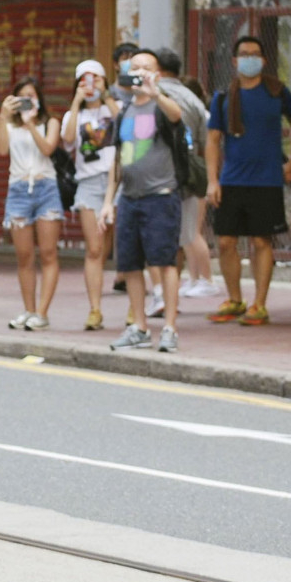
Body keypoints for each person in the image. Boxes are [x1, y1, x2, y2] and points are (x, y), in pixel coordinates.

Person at [205, 35, 291, 325]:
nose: (250, 59)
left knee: (261, 241)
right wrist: (212, 181)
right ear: (235, 61)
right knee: (226, 241)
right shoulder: (223, 97)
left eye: (255, 54)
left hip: (267, 180)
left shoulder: (277, 91)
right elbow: (212, 140)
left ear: (263, 60)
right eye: (245, 54)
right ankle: (235, 299)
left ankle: (259, 304)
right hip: (232, 180)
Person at [102, 48, 187, 353]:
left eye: (144, 68)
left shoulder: (162, 106)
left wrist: (155, 93)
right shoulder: (124, 110)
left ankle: (170, 328)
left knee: (164, 263)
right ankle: (139, 327)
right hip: (130, 198)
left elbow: (177, 117)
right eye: (133, 66)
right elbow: (118, 160)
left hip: (161, 198)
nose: (136, 72)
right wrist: (108, 201)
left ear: (157, 74)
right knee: (130, 264)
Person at [0, 74, 62, 330]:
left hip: (46, 188)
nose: (27, 100)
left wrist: (32, 124)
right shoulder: (10, 125)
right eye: (22, 96)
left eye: (31, 96)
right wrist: (3, 116)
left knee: (48, 253)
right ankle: (28, 309)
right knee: (24, 256)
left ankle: (42, 314)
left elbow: (47, 149)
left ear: (39, 98)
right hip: (18, 189)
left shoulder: (50, 122)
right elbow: (1, 149)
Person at [151, 48, 216, 297]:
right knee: (182, 234)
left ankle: (193, 284)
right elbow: (205, 140)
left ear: (157, 70)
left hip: (160, 176)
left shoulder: (152, 95)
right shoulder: (192, 99)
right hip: (188, 172)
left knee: (182, 235)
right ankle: (177, 288)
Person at [62, 58, 119, 330]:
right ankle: (95, 309)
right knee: (94, 248)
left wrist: (106, 96)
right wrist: (76, 102)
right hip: (88, 182)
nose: (90, 84)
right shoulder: (74, 114)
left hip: (118, 179)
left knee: (124, 246)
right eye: (84, 79)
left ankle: (135, 309)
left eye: (95, 78)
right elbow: (68, 140)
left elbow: (125, 123)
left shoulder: (114, 107)